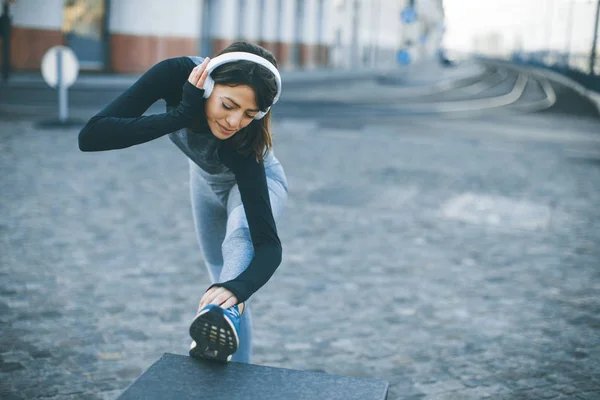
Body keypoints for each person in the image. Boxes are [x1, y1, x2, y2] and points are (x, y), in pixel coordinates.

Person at [78, 41, 288, 363]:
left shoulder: (246, 144)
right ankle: (224, 332)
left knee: (234, 265)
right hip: (204, 181)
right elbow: (91, 136)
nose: (234, 122)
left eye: (249, 114)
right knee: (221, 277)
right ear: (206, 86)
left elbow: (268, 245)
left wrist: (240, 287)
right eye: (228, 105)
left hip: (256, 185)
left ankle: (223, 315)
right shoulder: (176, 75)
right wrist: (181, 115)